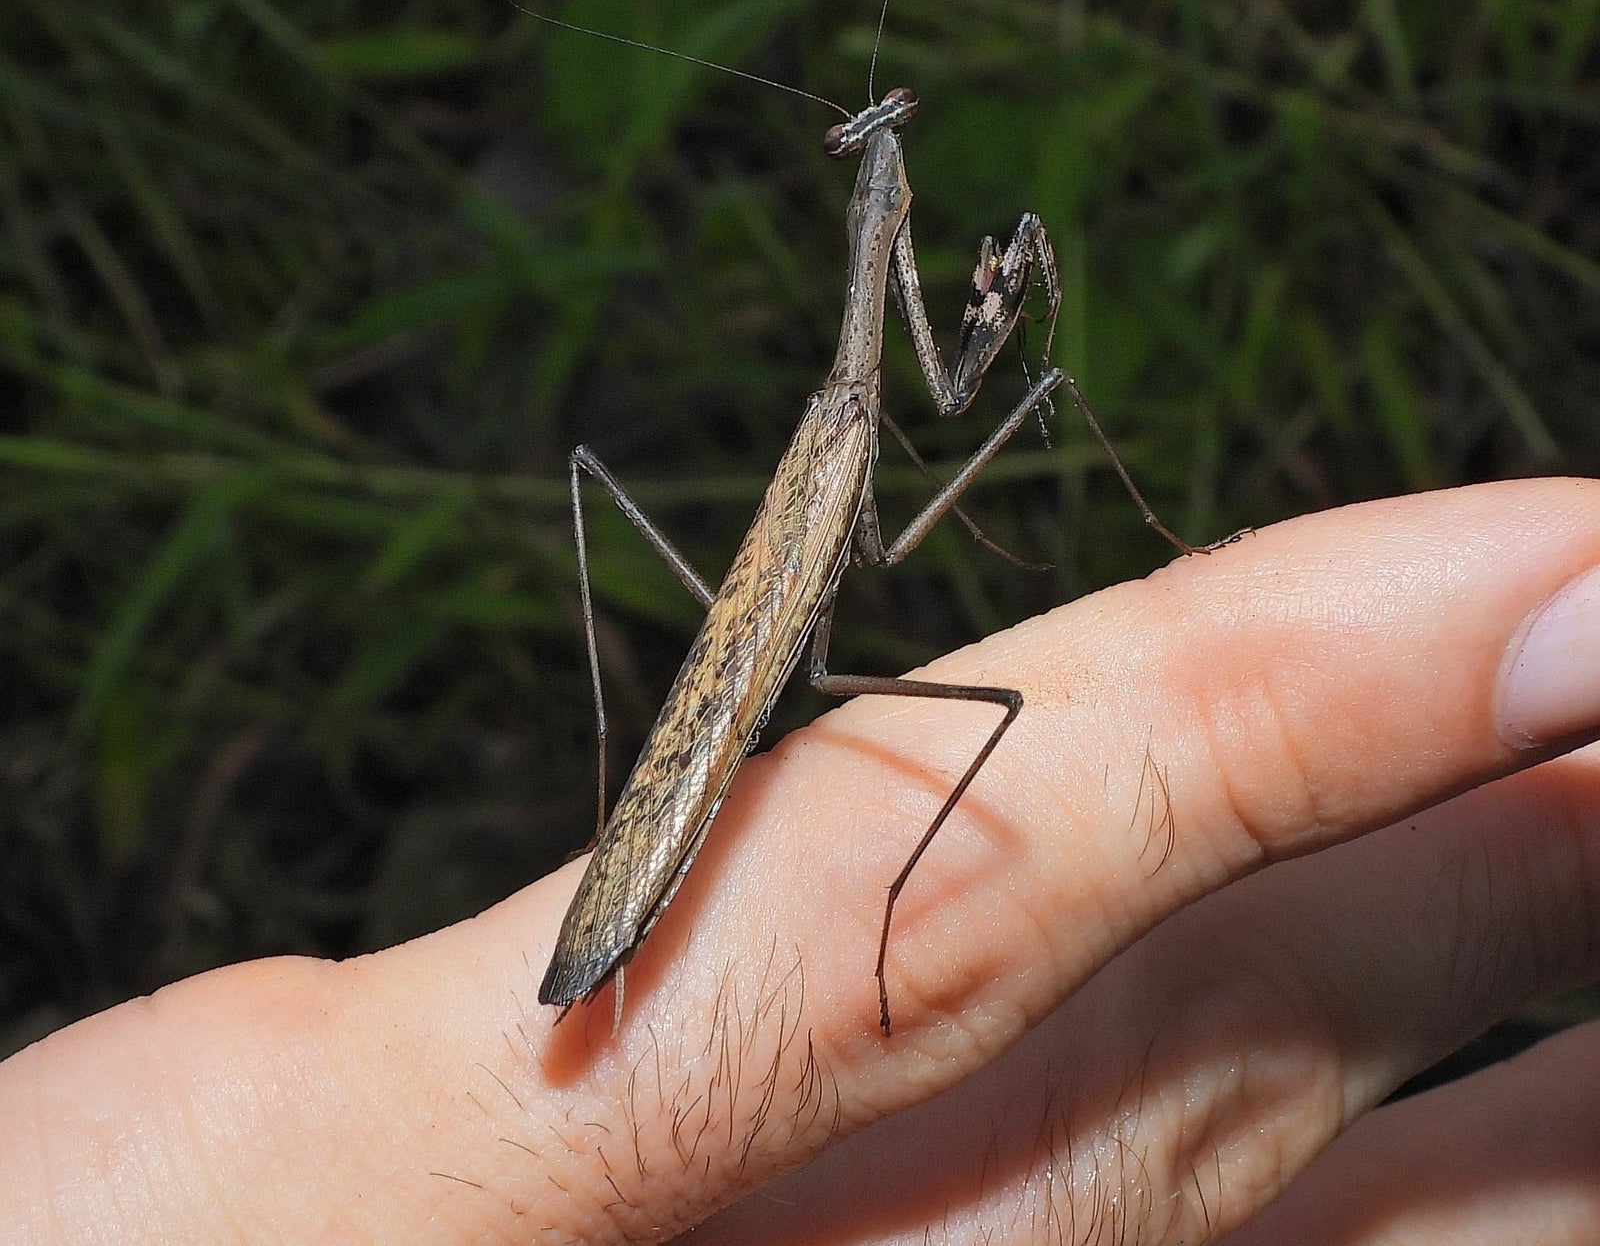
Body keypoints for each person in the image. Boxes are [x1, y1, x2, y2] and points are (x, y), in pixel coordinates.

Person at [5, 480, 1600, 1244]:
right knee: (987, 693)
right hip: (733, 702)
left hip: (756, 664)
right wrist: (897, 914)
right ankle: (644, 843)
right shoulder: (848, 421)